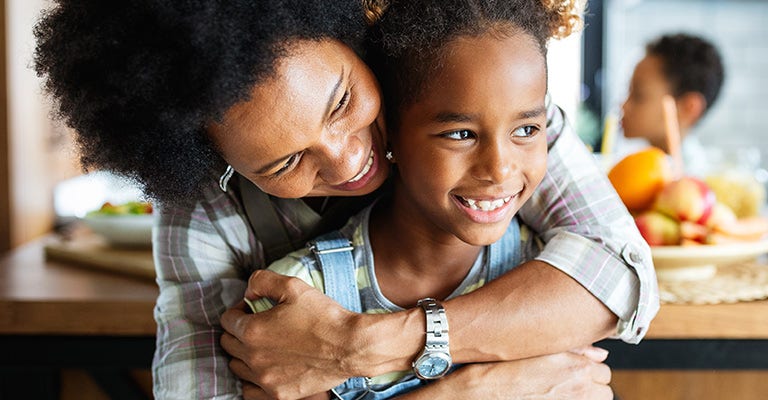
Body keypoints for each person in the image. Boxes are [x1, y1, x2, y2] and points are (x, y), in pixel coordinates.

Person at [32, 0, 658, 399]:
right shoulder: (202, 212)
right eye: (285, 162)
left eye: (341, 103)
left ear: (348, 34)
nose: (348, 158)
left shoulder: (465, 95)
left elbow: (621, 274)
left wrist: (362, 347)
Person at [245, 0, 611, 398]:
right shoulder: (302, 300)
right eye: (460, 134)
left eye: (526, 129)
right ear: (388, 132)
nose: (500, 169)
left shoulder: (553, 282)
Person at [619, 32, 725, 175]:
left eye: (639, 96)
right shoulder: (631, 169)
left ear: (688, 108)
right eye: (628, 91)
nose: (623, 105)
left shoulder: (691, 184)